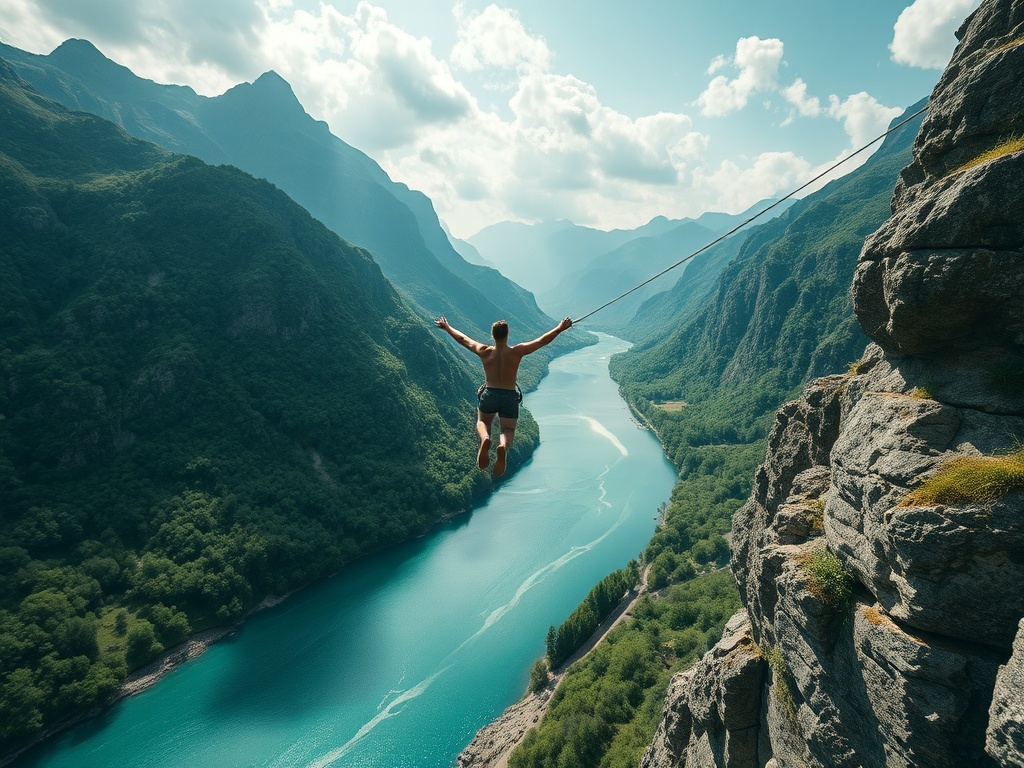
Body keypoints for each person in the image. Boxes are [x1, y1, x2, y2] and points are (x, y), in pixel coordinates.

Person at [435, 316, 573, 476]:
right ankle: (502, 446)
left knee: (482, 422)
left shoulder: (484, 351)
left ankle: (485, 438)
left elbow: (463, 339)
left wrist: (447, 327)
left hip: (490, 394)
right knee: (508, 429)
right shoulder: (517, 351)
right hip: (509, 396)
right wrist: (560, 328)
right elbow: (542, 341)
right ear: (507, 335)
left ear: (493, 335)